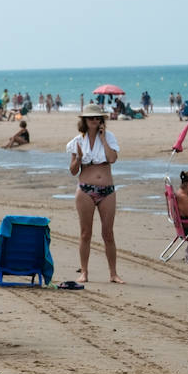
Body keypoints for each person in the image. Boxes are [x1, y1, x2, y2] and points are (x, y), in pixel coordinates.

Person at [66, 104, 122, 284]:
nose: (95, 121)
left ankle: (113, 273)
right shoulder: (77, 141)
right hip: (85, 190)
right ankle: (84, 272)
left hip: (107, 190)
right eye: (91, 118)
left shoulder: (109, 137)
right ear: (84, 120)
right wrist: (80, 158)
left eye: (98, 118)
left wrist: (104, 139)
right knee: (85, 233)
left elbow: (112, 159)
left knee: (108, 233)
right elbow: (73, 170)